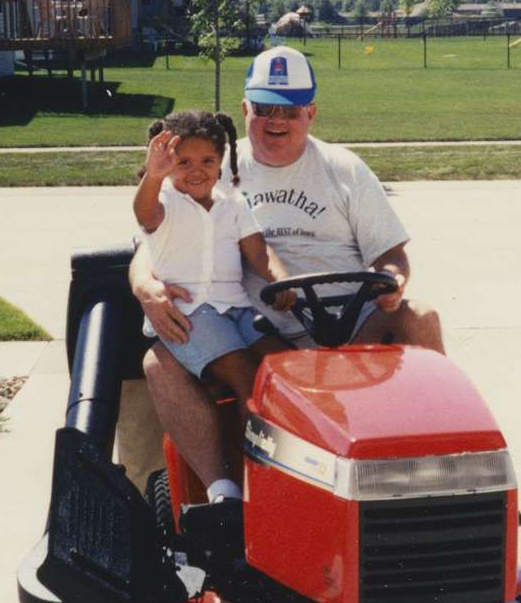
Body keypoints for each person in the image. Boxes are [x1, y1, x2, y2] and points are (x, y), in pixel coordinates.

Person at [128, 45, 444, 496]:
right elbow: (151, 241)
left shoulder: (344, 169)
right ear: (245, 108)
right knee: (159, 362)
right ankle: (227, 496)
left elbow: (392, 254)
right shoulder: (212, 167)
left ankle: (443, 471)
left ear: (310, 113)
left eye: (290, 111)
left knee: (421, 315)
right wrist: (146, 289)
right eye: (264, 108)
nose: (276, 120)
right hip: (257, 329)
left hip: (352, 323)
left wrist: (393, 279)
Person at [133, 110, 294, 502]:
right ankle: (248, 486)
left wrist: (281, 278)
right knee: (245, 378)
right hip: (189, 313)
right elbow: (145, 214)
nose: (197, 171)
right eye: (183, 162)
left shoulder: (232, 202)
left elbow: (258, 253)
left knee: (284, 369)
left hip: (234, 308)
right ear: (167, 164)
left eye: (207, 161)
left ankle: (295, 473)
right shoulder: (164, 200)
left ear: (221, 161)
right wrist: (154, 175)